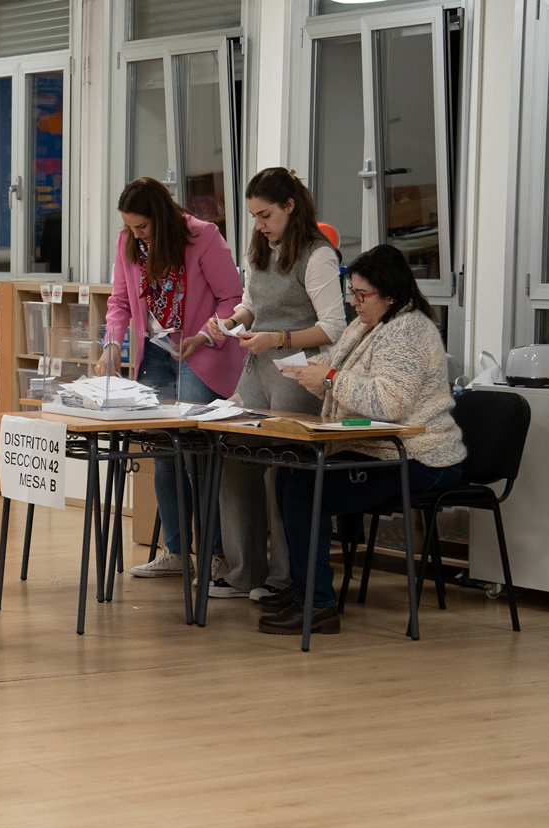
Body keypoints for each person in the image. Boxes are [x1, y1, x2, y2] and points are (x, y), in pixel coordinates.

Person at [265, 244, 465, 635]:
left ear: (390, 295)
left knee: (307, 488)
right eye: (351, 293)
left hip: (421, 457)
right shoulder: (366, 325)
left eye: (361, 295)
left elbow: (388, 402)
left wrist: (329, 379)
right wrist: (312, 373)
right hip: (379, 448)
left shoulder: (408, 331)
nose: (354, 303)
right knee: (290, 475)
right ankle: (303, 587)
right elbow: (339, 374)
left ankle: (317, 604)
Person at [204, 168, 347, 604]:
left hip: (297, 369)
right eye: (253, 216)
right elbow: (252, 304)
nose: (260, 224)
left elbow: (334, 327)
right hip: (258, 367)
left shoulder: (317, 255)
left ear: (290, 206)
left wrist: (279, 338)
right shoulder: (260, 248)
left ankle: (285, 579)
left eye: (266, 214)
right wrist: (229, 322)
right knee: (234, 458)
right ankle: (245, 571)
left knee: (285, 469)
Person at [96, 178, 244, 578]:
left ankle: (215, 553)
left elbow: (233, 297)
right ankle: (177, 552)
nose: (135, 234)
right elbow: (120, 301)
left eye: (141, 226)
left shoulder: (203, 236)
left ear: (161, 217)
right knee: (164, 457)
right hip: (155, 356)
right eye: (129, 227)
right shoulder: (128, 243)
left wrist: (204, 334)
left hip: (200, 353)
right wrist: (112, 344)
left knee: (197, 457)